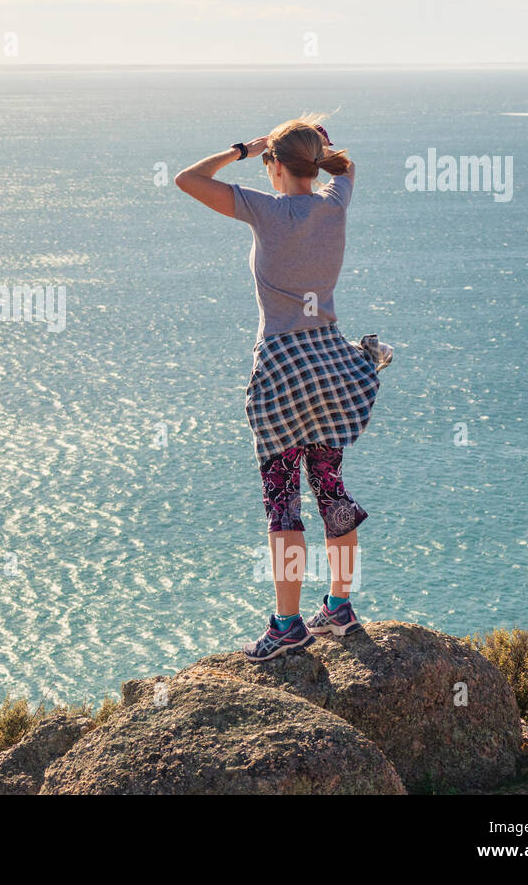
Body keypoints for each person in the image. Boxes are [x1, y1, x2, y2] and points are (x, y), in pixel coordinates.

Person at [174, 114, 392, 662]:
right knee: (331, 490)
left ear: (274, 166)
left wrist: (241, 150)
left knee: (283, 503)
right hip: (331, 365)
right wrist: (317, 146)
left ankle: (288, 623)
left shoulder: (265, 209)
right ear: (314, 161)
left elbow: (187, 179)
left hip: (282, 369)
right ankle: (339, 608)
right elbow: (347, 167)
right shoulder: (334, 203)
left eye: (269, 160)